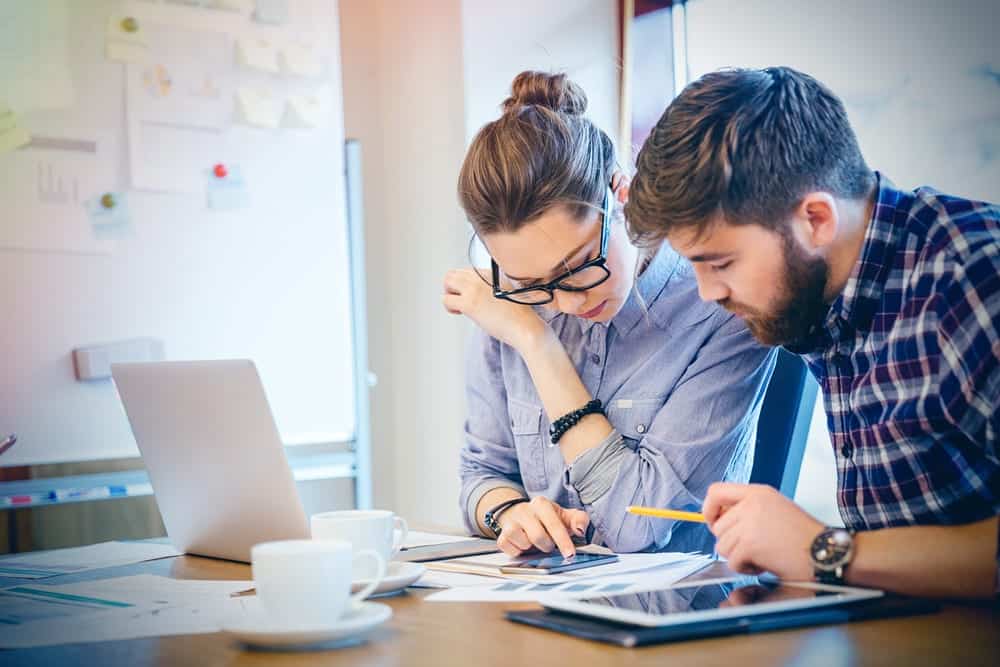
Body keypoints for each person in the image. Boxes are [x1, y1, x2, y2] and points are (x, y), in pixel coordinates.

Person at [625, 66, 999, 598]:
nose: (708, 293)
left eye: (722, 263)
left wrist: (822, 550)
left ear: (817, 219)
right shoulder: (823, 293)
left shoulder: (973, 282)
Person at [443, 71, 775, 559]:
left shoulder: (720, 309)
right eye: (533, 285)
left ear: (621, 194)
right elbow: (482, 474)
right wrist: (512, 513)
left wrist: (538, 344)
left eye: (578, 266)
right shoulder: (509, 302)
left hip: (681, 616)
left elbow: (635, 525)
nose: (567, 302)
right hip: (546, 603)